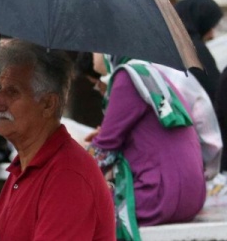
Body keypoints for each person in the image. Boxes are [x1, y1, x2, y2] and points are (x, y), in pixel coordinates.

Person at [0, 40, 115, 241]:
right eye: (0, 89)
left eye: (12, 91)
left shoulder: (67, 177)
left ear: (47, 104)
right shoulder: (24, 166)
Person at [87, 54, 205, 237]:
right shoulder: (150, 74)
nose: (92, 55)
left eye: (94, 48)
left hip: (159, 196)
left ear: (107, 51)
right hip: (192, 198)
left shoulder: (127, 78)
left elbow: (104, 151)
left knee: (79, 208)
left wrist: (65, 170)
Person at [175, 0, 223, 100]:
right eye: (208, 27)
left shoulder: (166, 43)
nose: (211, 35)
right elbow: (216, 92)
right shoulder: (194, 51)